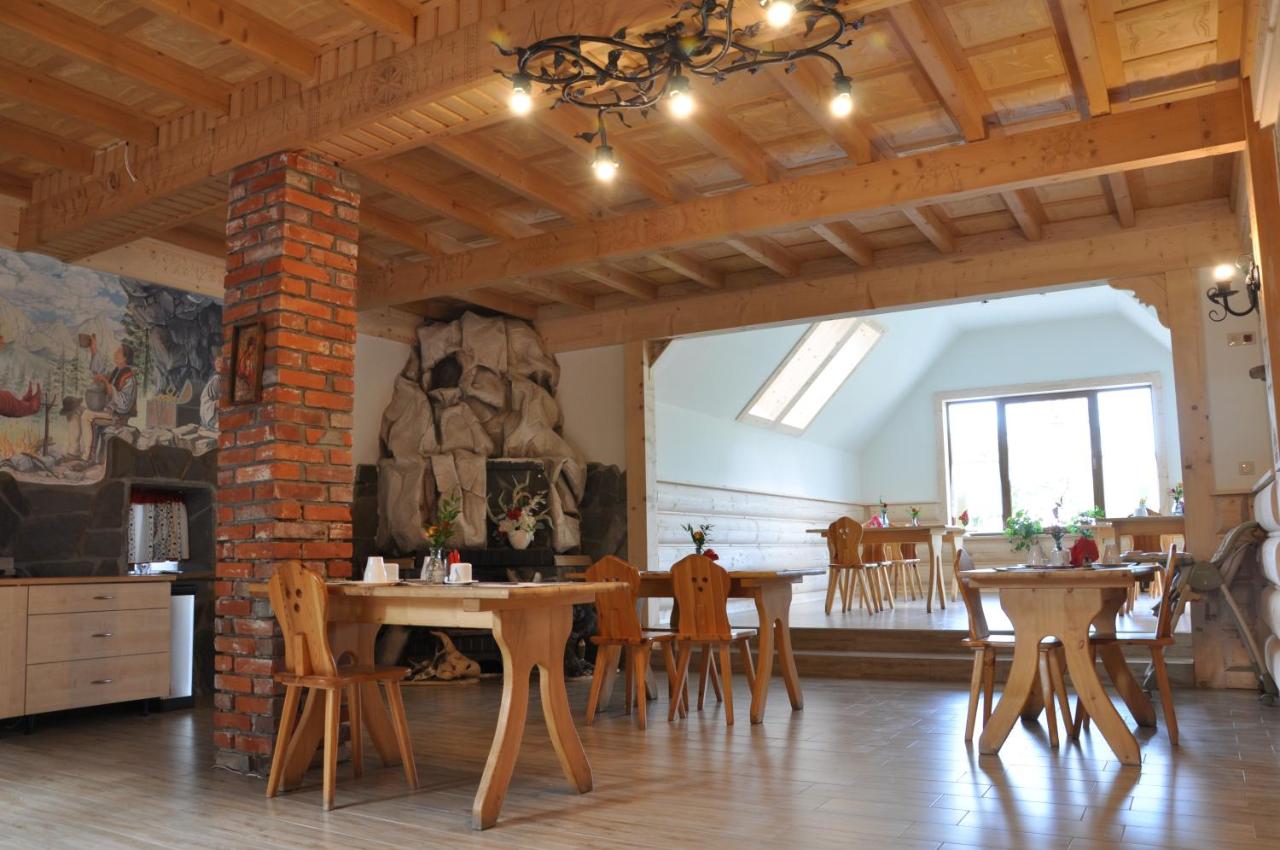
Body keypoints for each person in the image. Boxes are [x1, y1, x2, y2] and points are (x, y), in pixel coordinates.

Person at [77, 335, 137, 463]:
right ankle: (74, 450)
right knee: (79, 409)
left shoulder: (129, 378)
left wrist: (106, 382)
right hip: (109, 411)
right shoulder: (117, 371)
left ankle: (87, 456)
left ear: (125, 358)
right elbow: (100, 371)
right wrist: (93, 349)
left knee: (86, 415)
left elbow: (124, 404)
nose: (115, 353)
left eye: (119, 352)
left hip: (118, 415)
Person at [199, 353, 223, 429]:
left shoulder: (223, 378)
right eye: (217, 361)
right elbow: (220, 402)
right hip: (209, 413)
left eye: (222, 361)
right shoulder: (217, 378)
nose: (219, 363)